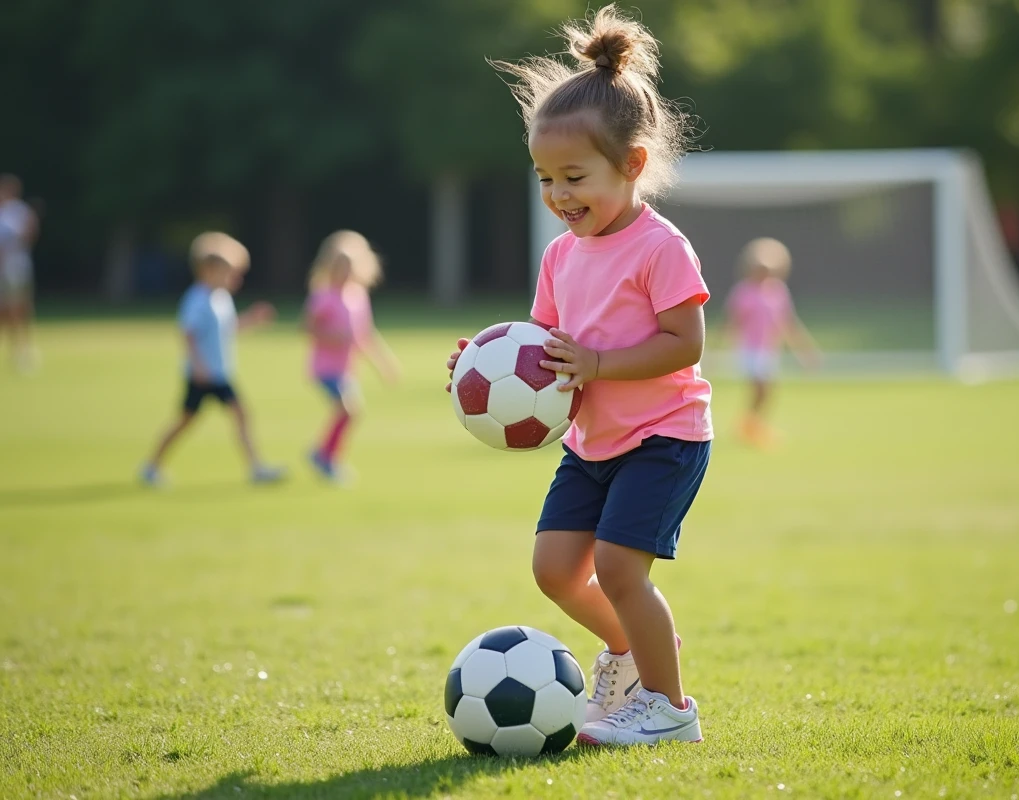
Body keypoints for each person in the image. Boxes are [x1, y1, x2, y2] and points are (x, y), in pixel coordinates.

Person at [447, 5, 710, 746]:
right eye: (544, 178)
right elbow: (543, 349)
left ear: (631, 165)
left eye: (574, 176)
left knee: (622, 570)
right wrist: (481, 366)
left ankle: (668, 710)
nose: (559, 195)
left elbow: (684, 343)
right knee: (557, 571)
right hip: (592, 441)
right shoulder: (561, 256)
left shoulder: (662, 248)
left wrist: (598, 364)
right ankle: (634, 651)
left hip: (663, 435)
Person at [140, 232, 285, 487]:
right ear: (207, 270)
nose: (232, 278)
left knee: (241, 414)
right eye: (227, 271)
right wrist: (198, 366)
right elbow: (188, 334)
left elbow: (228, 329)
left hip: (219, 373)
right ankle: (151, 466)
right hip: (202, 375)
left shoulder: (221, 298)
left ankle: (256, 467)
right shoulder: (197, 298)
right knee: (185, 421)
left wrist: (252, 319)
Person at [304, 230, 399, 482]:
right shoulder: (324, 296)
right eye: (338, 265)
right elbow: (308, 328)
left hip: (347, 369)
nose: (343, 271)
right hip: (325, 368)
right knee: (349, 410)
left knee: (349, 413)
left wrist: (383, 364)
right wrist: (332, 336)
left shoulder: (357, 296)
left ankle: (324, 454)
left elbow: (365, 336)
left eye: (349, 266)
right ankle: (326, 458)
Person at [725, 237, 821, 446]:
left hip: (768, 349)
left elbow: (788, 324)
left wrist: (805, 350)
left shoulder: (777, 291)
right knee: (761, 388)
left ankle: (751, 425)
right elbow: (733, 322)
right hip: (749, 349)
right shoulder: (743, 292)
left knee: (767, 391)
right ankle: (749, 426)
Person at [0, 174, 40, 371]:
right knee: (4, 311)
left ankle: (22, 350)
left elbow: (28, 236)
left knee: (19, 307)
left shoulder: (20, 211)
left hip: (15, 266)